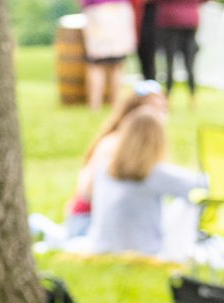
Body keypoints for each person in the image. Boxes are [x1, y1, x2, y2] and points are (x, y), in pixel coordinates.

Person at [83, 105, 205, 262]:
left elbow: (86, 194)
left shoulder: (104, 167)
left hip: (100, 244)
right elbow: (202, 184)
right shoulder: (154, 173)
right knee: (191, 199)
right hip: (145, 249)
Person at [60, 81, 164, 238]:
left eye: (163, 109)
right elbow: (86, 190)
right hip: (89, 223)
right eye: (154, 110)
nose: (160, 117)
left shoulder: (145, 148)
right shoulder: (113, 144)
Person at [73, 0, 137, 108]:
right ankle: (115, 103)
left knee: (96, 64)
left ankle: (95, 104)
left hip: (98, 18)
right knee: (117, 64)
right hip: (120, 17)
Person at [149, 0, 213, 103]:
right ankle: (193, 96)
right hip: (192, 21)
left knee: (169, 60)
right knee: (189, 60)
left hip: (170, 21)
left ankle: (167, 96)